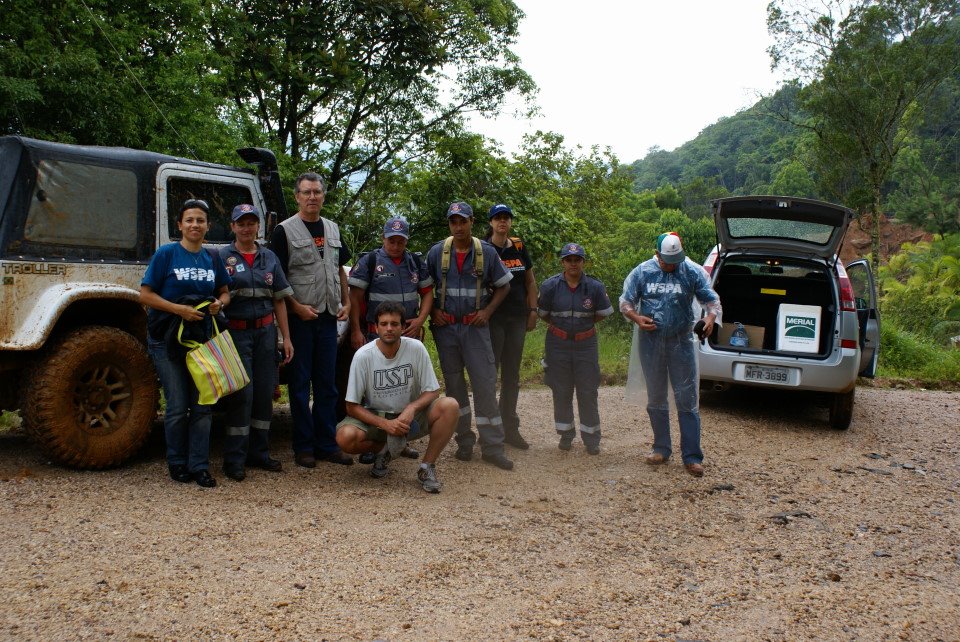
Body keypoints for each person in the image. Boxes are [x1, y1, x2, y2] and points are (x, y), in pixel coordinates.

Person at [140, 198, 232, 488]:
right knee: (178, 406)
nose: (195, 225)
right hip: (167, 341)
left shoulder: (213, 257)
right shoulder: (166, 254)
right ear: (179, 225)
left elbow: (225, 293)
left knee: (203, 405)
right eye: (189, 220)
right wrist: (178, 309)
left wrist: (219, 303)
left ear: (207, 226)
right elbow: (145, 295)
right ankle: (177, 463)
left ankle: (200, 466)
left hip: (201, 341)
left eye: (200, 220)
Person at [619, 232, 721, 477]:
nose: (671, 265)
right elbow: (626, 301)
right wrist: (636, 317)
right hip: (651, 342)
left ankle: (692, 456)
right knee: (656, 396)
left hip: (681, 342)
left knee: (687, 398)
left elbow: (712, 301)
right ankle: (661, 448)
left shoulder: (692, 271)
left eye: (675, 261)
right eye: (666, 261)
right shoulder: (642, 272)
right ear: (657, 254)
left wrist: (709, 318)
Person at [270, 173, 354, 468]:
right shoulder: (283, 231)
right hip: (301, 320)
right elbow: (277, 280)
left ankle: (327, 444)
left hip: (329, 318)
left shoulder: (332, 228)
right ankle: (303, 447)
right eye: (306, 192)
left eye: (317, 192)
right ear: (297, 196)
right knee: (300, 384)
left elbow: (339, 269)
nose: (312, 197)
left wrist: (347, 301)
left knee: (327, 384)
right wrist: (295, 308)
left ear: (323, 196)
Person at [426, 201, 515, 470]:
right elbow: (424, 288)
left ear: (471, 222)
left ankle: (492, 447)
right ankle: (464, 440)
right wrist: (434, 313)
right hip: (447, 331)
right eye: (454, 222)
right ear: (449, 224)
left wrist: (487, 312)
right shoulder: (436, 253)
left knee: (485, 385)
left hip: (475, 329)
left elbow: (504, 286)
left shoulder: (485, 252)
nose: (458, 226)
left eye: (463, 221)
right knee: (454, 388)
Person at [335, 302, 459, 492]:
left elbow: (433, 391)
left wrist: (411, 408)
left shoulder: (416, 348)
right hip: (378, 418)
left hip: (410, 419)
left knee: (450, 405)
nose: (389, 328)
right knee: (345, 437)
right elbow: (351, 406)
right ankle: (386, 448)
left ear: (403, 326)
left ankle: (426, 467)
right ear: (376, 327)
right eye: (384, 324)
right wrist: (385, 425)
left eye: (395, 324)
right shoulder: (363, 356)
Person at [218, 204, 294, 481]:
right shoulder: (222, 256)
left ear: (258, 227)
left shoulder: (269, 257)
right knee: (242, 396)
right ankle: (234, 459)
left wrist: (285, 338)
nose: (247, 228)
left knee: (264, 395)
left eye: (251, 223)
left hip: (265, 335)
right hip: (236, 335)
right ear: (233, 226)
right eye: (241, 223)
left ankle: (259, 453)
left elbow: (279, 300)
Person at [537, 243, 613, 455]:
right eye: (568, 260)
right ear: (562, 262)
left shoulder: (595, 287)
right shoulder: (550, 286)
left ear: (583, 262)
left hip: (586, 345)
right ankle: (566, 434)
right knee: (561, 390)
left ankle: (591, 439)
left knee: (588, 391)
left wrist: (581, 329)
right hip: (557, 345)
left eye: (577, 259)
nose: (573, 264)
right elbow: (543, 314)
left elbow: (602, 314)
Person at [484, 204, 538, 450]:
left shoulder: (518, 246)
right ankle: (491, 430)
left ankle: (510, 429)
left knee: (512, 376)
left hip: (517, 317)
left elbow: (530, 281)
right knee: (490, 374)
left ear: (510, 222)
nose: (502, 222)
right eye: (498, 218)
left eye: (506, 218)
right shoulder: (484, 249)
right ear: (491, 223)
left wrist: (533, 310)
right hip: (494, 319)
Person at [347, 216, 434, 347]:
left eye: (401, 242)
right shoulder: (369, 261)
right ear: (383, 237)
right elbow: (354, 298)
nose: (395, 246)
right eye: (391, 241)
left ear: (407, 240)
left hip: (409, 335)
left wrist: (420, 320)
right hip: (376, 336)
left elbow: (427, 293)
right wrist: (356, 331)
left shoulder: (415, 262)